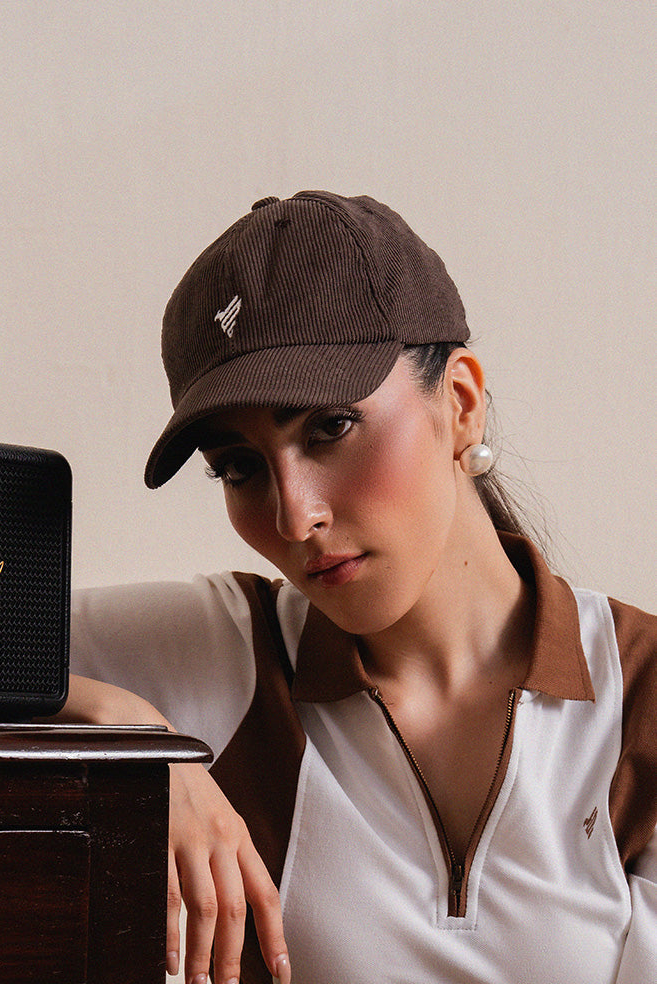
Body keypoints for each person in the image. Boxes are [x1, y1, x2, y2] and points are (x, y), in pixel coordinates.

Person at [58, 191, 657, 984]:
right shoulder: (226, 654)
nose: (295, 514)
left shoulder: (641, 693)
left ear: (461, 404)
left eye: (330, 428)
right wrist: (131, 735)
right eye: (239, 466)